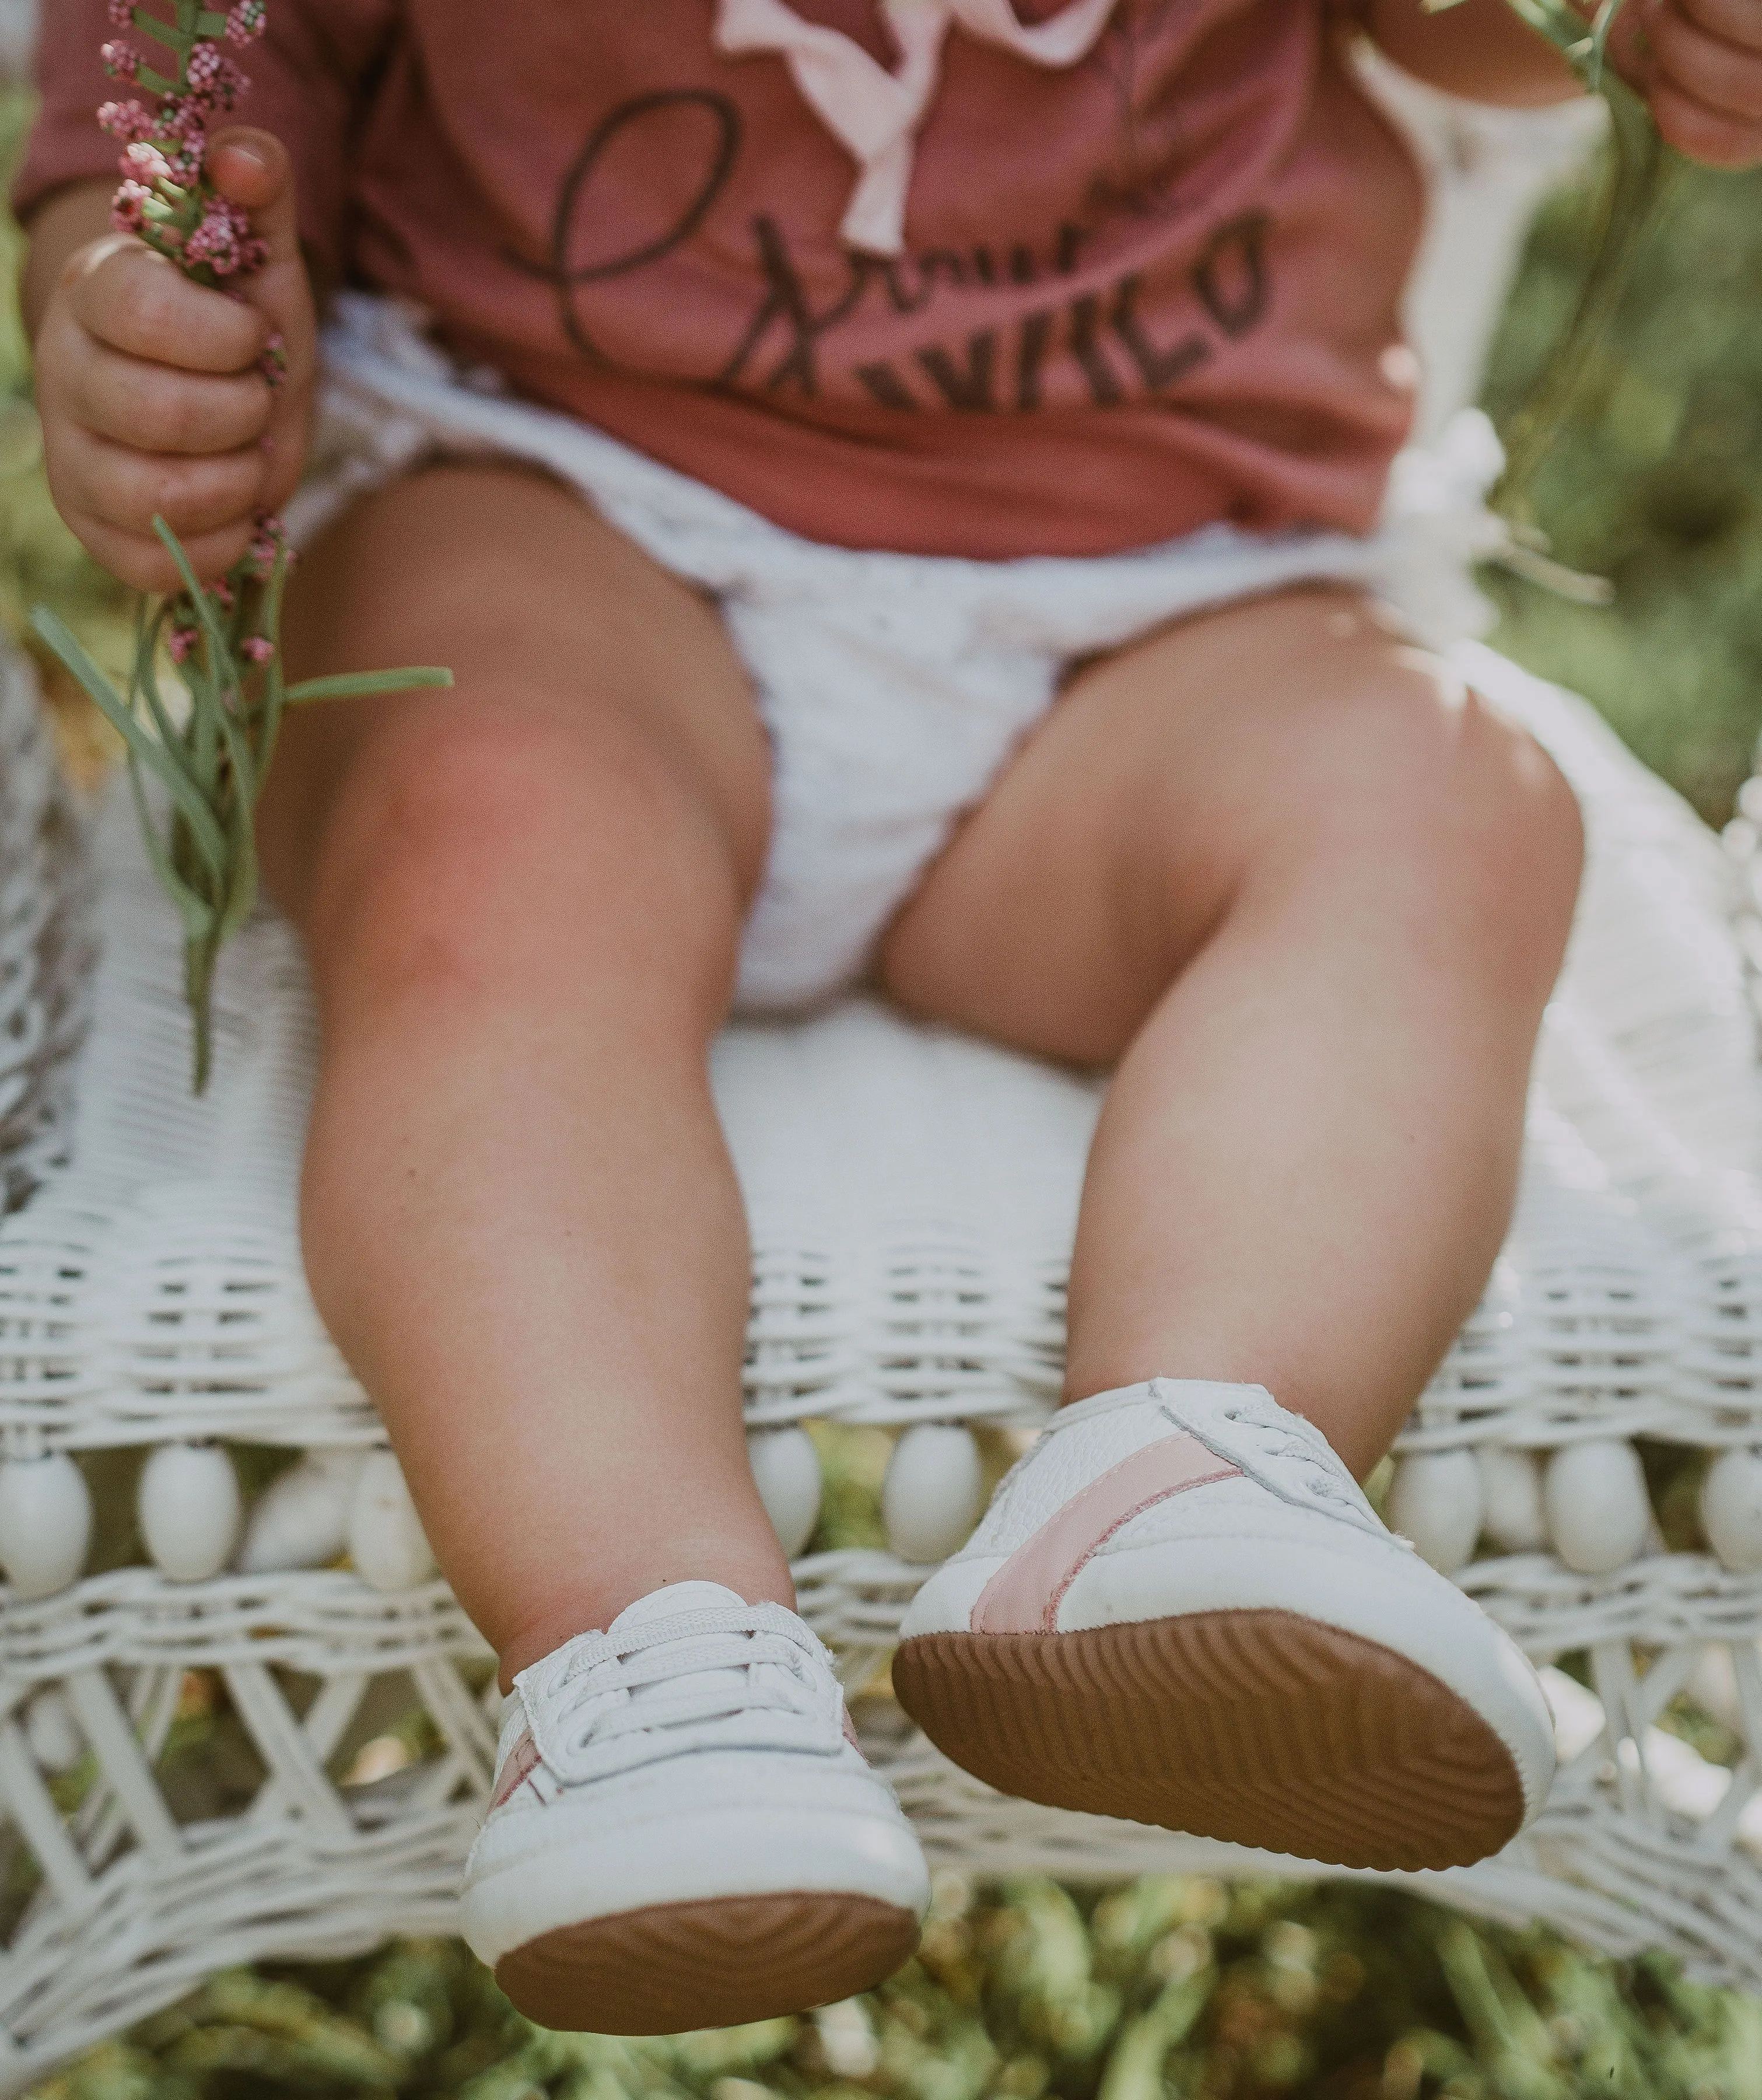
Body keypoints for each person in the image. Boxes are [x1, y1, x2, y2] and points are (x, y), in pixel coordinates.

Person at [18, 0, 1762, 2035]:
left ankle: (1181, 1482)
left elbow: (1457, 33)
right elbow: (204, 47)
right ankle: (649, 1664)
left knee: (1446, 802)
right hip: (554, 503)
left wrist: (1623, 22)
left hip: (1165, 605)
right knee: (480, 851)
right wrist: (136, 293)